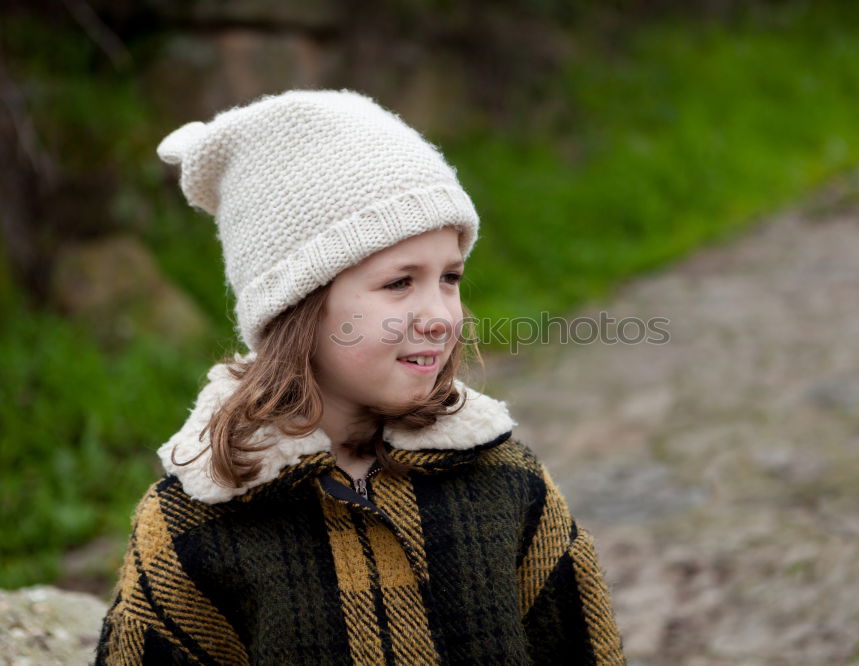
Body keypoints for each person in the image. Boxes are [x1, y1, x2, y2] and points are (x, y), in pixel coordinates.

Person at [95, 89, 624, 665]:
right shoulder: (193, 529)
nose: (441, 316)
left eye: (450, 277)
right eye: (400, 283)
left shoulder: (507, 484)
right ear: (296, 307)